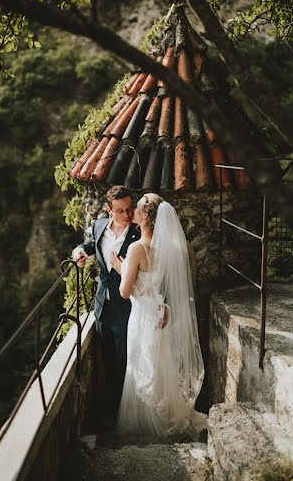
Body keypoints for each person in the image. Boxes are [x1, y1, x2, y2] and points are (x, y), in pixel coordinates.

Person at [111, 193, 206, 438]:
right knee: (160, 366)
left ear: (145, 216)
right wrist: (165, 307)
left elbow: (124, 291)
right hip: (159, 314)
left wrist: (120, 268)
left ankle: (146, 424)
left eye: (138, 208)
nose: (133, 211)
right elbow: (158, 287)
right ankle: (164, 415)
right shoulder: (167, 249)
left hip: (143, 316)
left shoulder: (136, 248)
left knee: (140, 365)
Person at [72, 185, 140, 411]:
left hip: (129, 307)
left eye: (130, 208)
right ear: (109, 210)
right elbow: (91, 246)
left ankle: (126, 411)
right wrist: (80, 251)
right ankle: (111, 409)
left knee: (126, 360)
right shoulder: (99, 226)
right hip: (102, 306)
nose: (128, 214)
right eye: (121, 210)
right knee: (107, 360)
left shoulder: (140, 232)